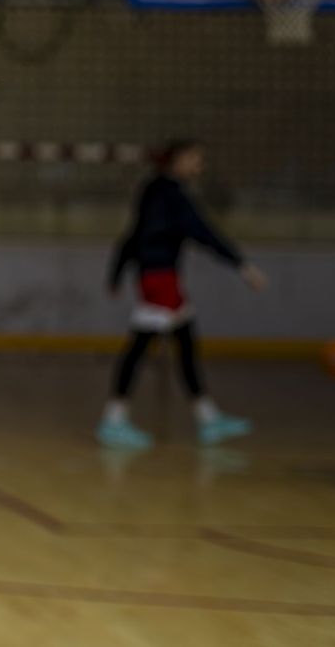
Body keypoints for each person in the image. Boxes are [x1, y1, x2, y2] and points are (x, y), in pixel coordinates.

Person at [98, 139, 269, 450]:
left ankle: (207, 417)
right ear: (178, 160)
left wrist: (117, 271)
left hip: (158, 277)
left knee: (184, 342)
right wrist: (241, 265)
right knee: (141, 346)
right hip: (159, 279)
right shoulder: (172, 195)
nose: (200, 166)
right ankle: (114, 419)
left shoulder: (152, 189)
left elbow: (132, 233)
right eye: (196, 159)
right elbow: (202, 231)